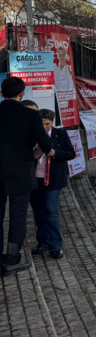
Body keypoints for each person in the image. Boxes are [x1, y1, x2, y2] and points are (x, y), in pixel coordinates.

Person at [0, 77, 52, 276]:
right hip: (21, 173)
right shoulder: (30, 116)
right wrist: (34, 153)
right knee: (18, 216)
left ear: (2, 92)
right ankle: (12, 259)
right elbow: (46, 145)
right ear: (22, 94)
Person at [30, 109, 76, 260]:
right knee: (39, 212)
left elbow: (71, 153)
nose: (44, 127)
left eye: (47, 124)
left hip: (53, 180)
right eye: (42, 123)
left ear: (52, 122)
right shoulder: (32, 134)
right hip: (35, 179)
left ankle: (56, 246)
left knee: (51, 210)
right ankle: (42, 242)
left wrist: (55, 153)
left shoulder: (60, 134)